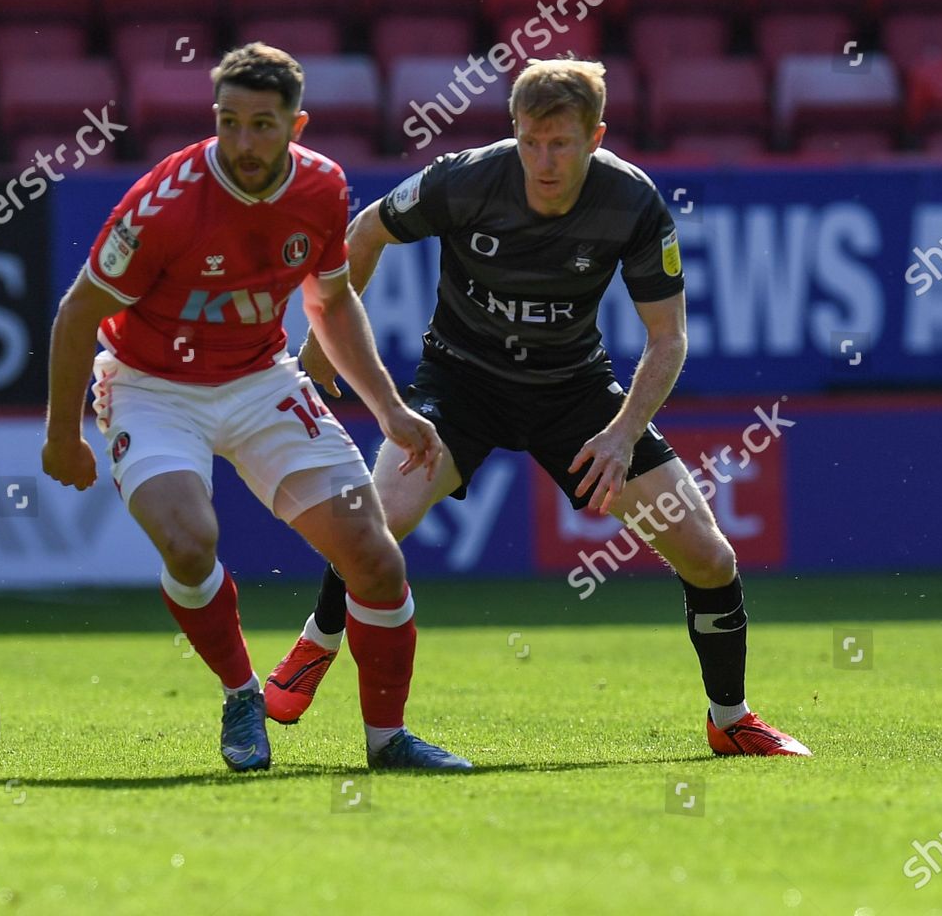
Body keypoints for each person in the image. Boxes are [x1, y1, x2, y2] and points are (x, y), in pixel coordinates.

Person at [264, 57, 811, 758]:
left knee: (709, 556)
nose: (544, 161)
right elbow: (366, 231)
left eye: (561, 144)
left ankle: (730, 718)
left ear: (596, 136)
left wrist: (621, 434)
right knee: (379, 521)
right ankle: (318, 641)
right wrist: (320, 342)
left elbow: (668, 339)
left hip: (573, 393)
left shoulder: (632, 202)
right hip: (461, 383)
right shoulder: (465, 178)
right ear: (513, 132)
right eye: (530, 142)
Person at [42, 43, 472, 772]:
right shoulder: (166, 203)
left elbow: (330, 302)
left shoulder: (324, 189)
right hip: (151, 388)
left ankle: (387, 741)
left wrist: (391, 409)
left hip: (260, 378)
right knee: (188, 541)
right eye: (229, 122)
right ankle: (243, 694)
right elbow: (78, 313)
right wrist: (62, 436)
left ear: (296, 126)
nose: (243, 142)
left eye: (262, 125)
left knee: (374, 557)